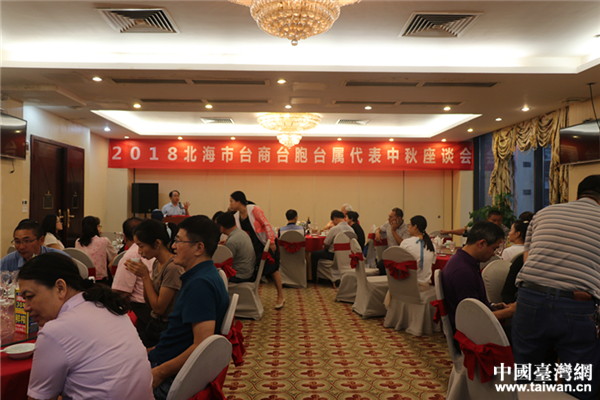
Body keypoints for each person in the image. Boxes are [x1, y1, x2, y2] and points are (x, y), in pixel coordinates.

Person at [512, 175, 600, 400]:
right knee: (579, 380)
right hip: (577, 306)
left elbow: (527, 259)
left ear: (578, 195)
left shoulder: (544, 213)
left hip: (529, 299)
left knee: (527, 373)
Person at [19, 253, 153, 400]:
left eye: (29, 296)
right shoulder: (106, 306)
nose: (26, 307)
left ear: (60, 288)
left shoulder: (56, 331)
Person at [148, 215, 229, 399]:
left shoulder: (200, 285)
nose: (173, 246)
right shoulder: (205, 274)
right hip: (164, 357)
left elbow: (201, 345)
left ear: (199, 248)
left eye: (178, 241)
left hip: (167, 374)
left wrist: (158, 373)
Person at [440, 221, 516, 331]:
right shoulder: (463, 272)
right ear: (482, 244)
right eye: (494, 249)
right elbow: (474, 318)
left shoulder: (463, 261)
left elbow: (474, 306)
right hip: (471, 334)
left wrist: (492, 306)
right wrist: (510, 312)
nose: (494, 253)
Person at [126, 219, 185, 348]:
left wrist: (145, 276)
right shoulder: (157, 263)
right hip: (155, 324)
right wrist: (143, 277)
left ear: (157, 243)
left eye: (141, 246)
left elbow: (159, 309)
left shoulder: (173, 267)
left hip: (167, 328)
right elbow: (150, 303)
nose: (139, 251)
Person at [229, 191, 285, 308]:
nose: (230, 204)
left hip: (266, 242)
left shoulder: (254, 210)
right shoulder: (236, 216)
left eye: (231, 201)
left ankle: (280, 296)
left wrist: (272, 242)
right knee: (256, 271)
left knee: (273, 269)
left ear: (238, 202)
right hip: (254, 245)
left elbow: (266, 225)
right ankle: (254, 298)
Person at [112, 217, 154, 339]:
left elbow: (121, 293)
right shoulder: (153, 249)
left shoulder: (131, 255)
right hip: (153, 309)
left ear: (124, 237)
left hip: (140, 313)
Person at [1, 219, 69, 272]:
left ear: (41, 240)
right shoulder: (7, 262)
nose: (21, 247)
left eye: (27, 241)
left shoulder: (59, 259)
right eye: (17, 242)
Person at [310, 210, 353, 282]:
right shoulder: (351, 229)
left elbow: (326, 244)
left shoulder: (334, 229)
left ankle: (314, 279)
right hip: (348, 256)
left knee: (314, 254)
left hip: (333, 255)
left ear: (335, 219)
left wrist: (324, 248)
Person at [216, 211, 256, 283]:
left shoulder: (232, 241)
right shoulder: (242, 233)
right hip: (249, 271)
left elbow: (224, 263)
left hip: (239, 275)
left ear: (221, 227)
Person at [75, 216, 117, 283]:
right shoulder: (104, 241)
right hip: (100, 280)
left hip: (82, 279)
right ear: (97, 227)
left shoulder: (78, 242)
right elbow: (114, 258)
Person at [400, 215, 436, 290]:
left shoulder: (406, 243)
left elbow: (399, 264)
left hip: (410, 284)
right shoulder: (432, 246)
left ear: (415, 227)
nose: (408, 228)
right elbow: (429, 267)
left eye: (409, 225)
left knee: (391, 288)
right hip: (425, 286)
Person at [375, 208, 411, 275]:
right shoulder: (388, 224)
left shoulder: (407, 228)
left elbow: (402, 243)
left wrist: (393, 230)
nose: (388, 219)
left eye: (391, 217)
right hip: (390, 255)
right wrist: (377, 232)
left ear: (399, 219)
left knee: (382, 264)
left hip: (401, 256)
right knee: (380, 264)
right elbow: (379, 228)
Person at [441, 209, 510, 237]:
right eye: (494, 220)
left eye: (499, 220)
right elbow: (465, 231)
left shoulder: (505, 230)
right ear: (488, 220)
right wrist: (449, 231)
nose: (497, 223)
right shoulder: (482, 226)